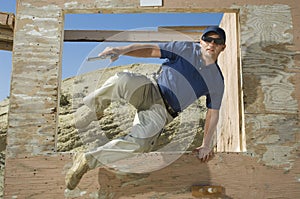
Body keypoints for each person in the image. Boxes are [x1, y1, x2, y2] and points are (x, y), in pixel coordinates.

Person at [65, 26, 226, 190]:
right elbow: (150, 50)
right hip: (150, 88)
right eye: (207, 39)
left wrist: (206, 144)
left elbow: (212, 114)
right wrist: (121, 50)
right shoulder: (184, 49)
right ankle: (94, 109)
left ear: (222, 47)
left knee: (140, 144)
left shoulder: (216, 81)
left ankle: (86, 160)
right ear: (201, 41)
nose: (211, 44)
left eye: (217, 41)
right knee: (123, 79)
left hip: (162, 112)